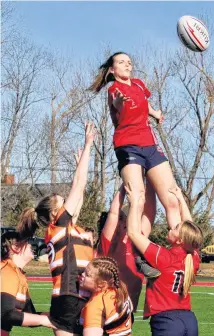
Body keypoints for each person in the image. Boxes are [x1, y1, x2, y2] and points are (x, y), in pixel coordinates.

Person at [17, 121, 96, 336]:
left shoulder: (66, 229)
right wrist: (88, 145)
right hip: (70, 296)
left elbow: (79, 191)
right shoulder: (59, 226)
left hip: (76, 295)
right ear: (55, 213)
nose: (67, 202)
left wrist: (81, 165)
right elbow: (78, 187)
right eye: (63, 202)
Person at [89, 52, 181, 230]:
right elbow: (116, 103)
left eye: (129, 62)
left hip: (150, 145)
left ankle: (181, 250)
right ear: (112, 70)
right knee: (138, 199)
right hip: (128, 146)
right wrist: (118, 103)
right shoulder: (113, 90)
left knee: (172, 200)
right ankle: (133, 249)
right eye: (122, 62)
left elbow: (144, 103)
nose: (127, 65)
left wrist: (155, 113)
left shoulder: (138, 84)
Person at [125, 183, 203, 336]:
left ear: (180, 240)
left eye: (175, 228)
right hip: (189, 319)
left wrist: (134, 203)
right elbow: (191, 228)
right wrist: (181, 199)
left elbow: (134, 233)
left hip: (167, 321)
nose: (171, 228)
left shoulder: (164, 257)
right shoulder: (193, 257)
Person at [97, 182, 160, 312]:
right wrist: (126, 181)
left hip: (128, 309)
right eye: (121, 218)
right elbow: (113, 213)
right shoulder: (109, 243)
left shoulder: (138, 240)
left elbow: (150, 213)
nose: (123, 221)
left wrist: (151, 182)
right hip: (107, 306)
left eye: (126, 218)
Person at [1, 231, 56, 335]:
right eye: (26, 242)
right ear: (15, 248)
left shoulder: (18, 274)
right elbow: (6, 314)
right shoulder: (6, 270)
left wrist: (56, 316)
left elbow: (29, 314)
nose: (31, 244)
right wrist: (43, 320)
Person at [79, 257, 133, 336]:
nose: (82, 274)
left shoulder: (95, 305)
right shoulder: (120, 290)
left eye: (87, 275)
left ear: (102, 284)